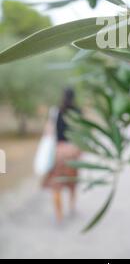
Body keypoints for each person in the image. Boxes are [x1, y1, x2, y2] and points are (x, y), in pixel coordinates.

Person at [43, 88, 81, 223]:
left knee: (57, 184)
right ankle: (71, 206)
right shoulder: (78, 111)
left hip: (59, 151)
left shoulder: (56, 111)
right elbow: (82, 132)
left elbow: (49, 131)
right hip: (73, 150)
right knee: (72, 182)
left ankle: (59, 214)